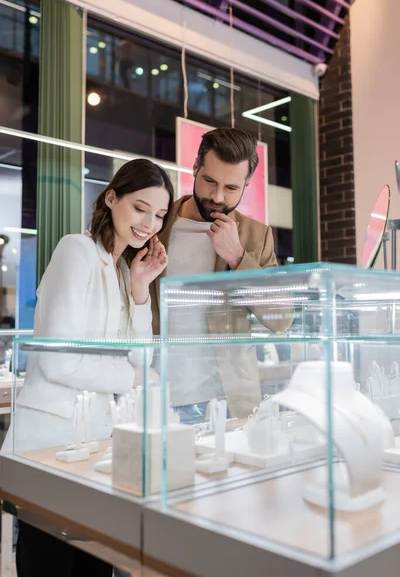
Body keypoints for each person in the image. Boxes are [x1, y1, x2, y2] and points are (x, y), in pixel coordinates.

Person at [4, 158, 174, 577]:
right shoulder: (75, 250)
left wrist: (139, 290)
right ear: (111, 198)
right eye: (140, 208)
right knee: (50, 566)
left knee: (95, 567)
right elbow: (58, 359)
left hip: (94, 445)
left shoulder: (121, 271)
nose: (149, 223)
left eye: (159, 215)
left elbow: (142, 360)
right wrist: (131, 377)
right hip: (51, 447)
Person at [150, 127, 292, 421]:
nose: (216, 196)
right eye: (209, 181)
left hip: (226, 402)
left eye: (231, 188)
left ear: (247, 184)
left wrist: (238, 258)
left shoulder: (255, 236)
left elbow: (282, 317)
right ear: (194, 168)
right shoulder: (156, 224)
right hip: (156, 395)